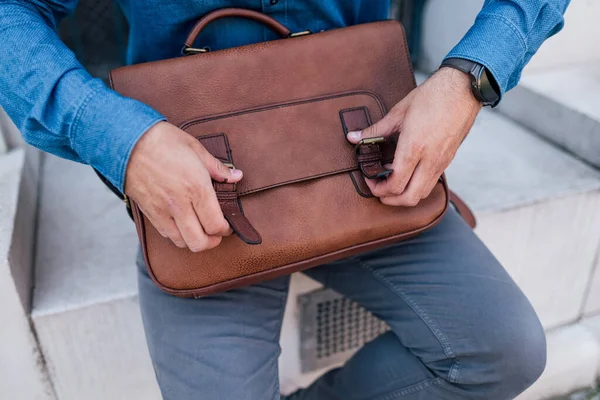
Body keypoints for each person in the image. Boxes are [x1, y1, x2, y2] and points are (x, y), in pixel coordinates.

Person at [0, 1, 570, 399]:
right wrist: (120, 137)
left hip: (367, 168)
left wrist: (468, 78)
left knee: (504, 350)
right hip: (204, 198)